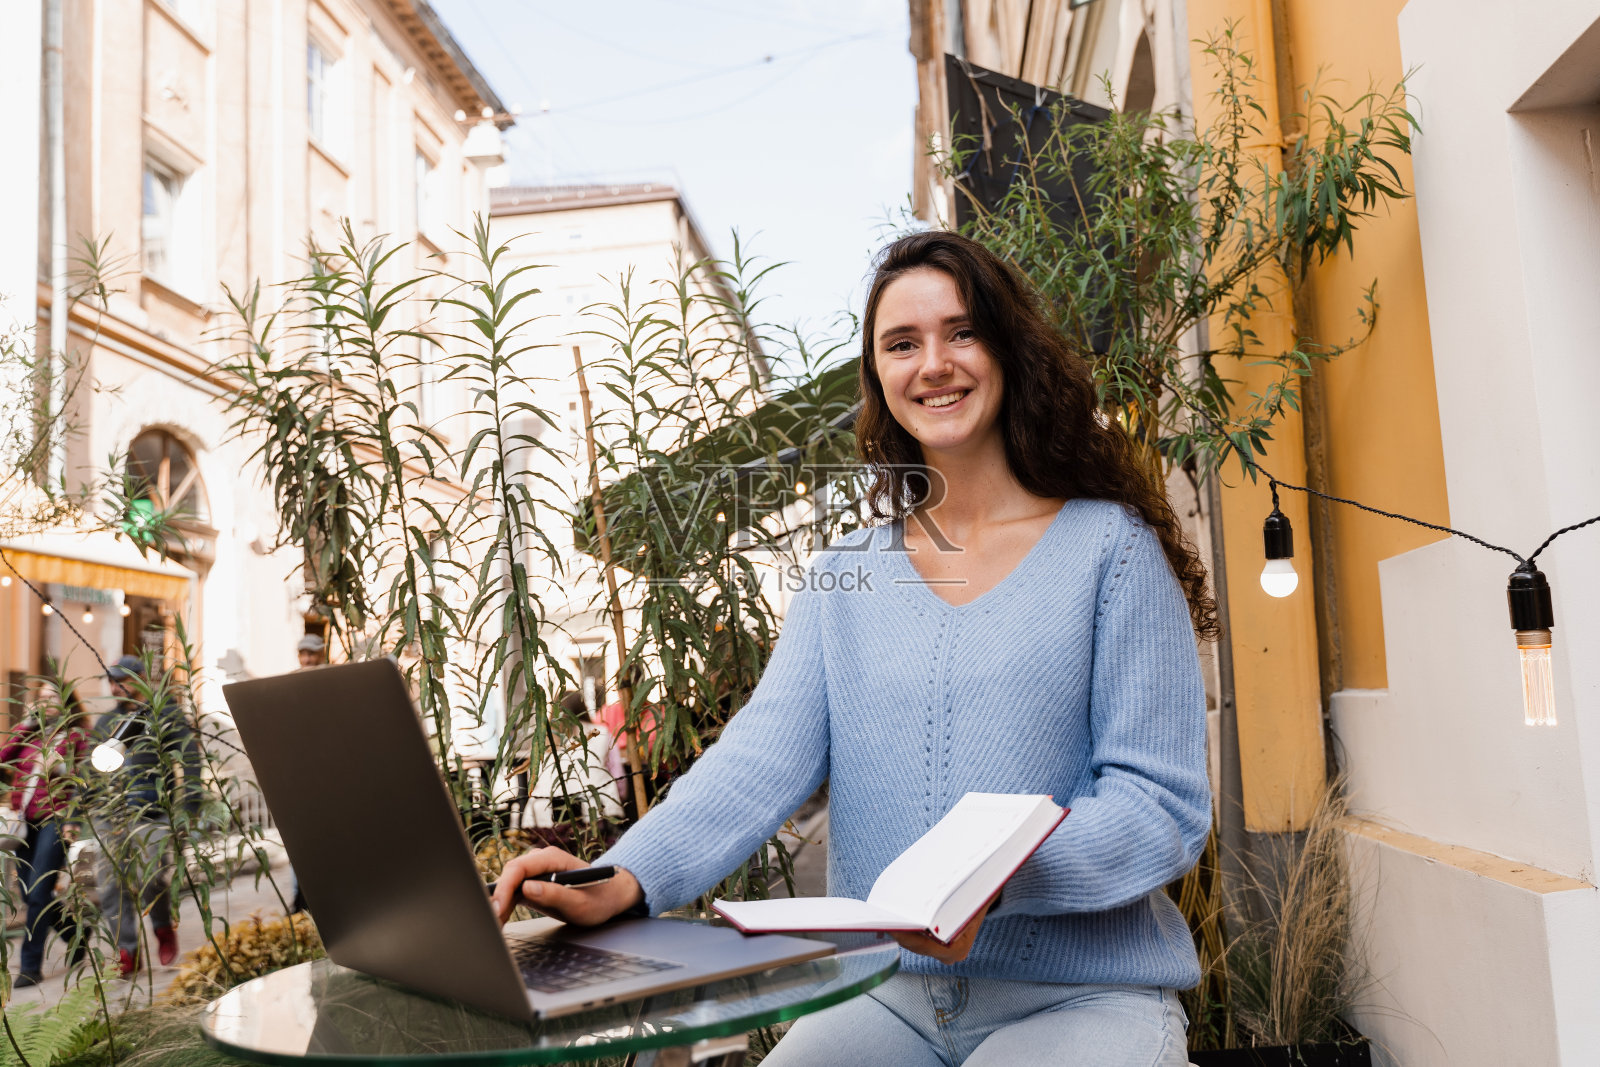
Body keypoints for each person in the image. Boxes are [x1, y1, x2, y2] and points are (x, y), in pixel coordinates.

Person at [492, 231, 1214, 1066]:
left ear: (1009, 350)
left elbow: (1159, 805)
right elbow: (756, 760)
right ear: (880, 379)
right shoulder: (847, 574)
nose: (933, 362)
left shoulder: (1110, 551)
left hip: (1082, 995)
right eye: (902, 344)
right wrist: (623, 876)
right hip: (883, 995)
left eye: (962, 332)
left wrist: (995, 877)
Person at [88, 654, 203, 977]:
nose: (115, 686)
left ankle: (163, 926)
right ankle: (128, 950)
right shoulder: (105, 724)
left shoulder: (164, 713)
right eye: (111, 681)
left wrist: (191, 802)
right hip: (111, 814)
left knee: (153, 877)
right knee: (111, 886)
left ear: (139, 678)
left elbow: (189, 756)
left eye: (121, 680)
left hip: (152, 811)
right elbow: (90, 767)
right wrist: (79, 809)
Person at [0, 683, 90, 987]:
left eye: (52, 697)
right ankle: (76, 933)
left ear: (66, 702)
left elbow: (82, 780)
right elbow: (4, 756)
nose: (45, 702)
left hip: (56, 818)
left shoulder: (77, 735)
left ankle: (29, 966)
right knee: (28, 893)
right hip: (26, 824)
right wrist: (25, 724)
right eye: (41, 697)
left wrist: (73, 820)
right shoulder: (31, 733)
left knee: (38, 893)